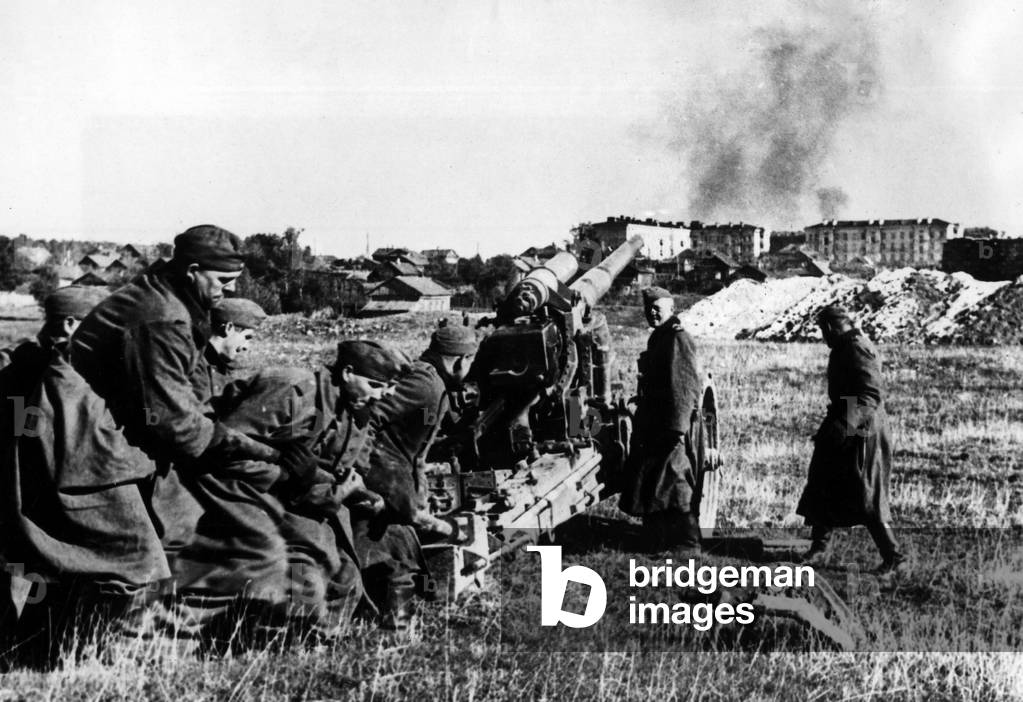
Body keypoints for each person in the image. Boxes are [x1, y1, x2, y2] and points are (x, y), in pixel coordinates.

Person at [69, 225, 318, 524]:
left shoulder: (172, 295)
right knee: (140, 559)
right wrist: (271, 456)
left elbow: (189, 405)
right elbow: (177, 425)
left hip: (115, 428)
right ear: (193, 270)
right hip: (86, 441)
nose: (232, 290)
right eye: (224, 280)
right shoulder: (162, 318)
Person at [169, 340, 407, 643]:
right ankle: (265, 640)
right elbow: (223, 449)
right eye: (376, 384)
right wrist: (287, 476)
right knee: (299, 568)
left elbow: (336, 464)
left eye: (387, 388)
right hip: (230, 485)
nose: (383, 395)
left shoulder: (352, 407)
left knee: (344, 575)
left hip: (294, 494)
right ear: (347, 372)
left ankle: (315, 643)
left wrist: (332, 486)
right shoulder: (291, 390)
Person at [0, 286, 167, 665]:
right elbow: (95, 451)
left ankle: (46, 653)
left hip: (38, 498)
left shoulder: (38, 364)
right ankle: (101, 658)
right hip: (78, 494)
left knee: (61, 576)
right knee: (139, 565)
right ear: (74, 324)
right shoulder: (67, 377)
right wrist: (146, 461)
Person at [362, 323, 478, 626]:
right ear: (460, 360)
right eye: (470, 361)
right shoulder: (424, 384)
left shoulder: (433, 383)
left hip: (392, 477)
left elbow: (416, 450)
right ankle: (394, 626)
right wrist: (378, 477)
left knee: (402, 544)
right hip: (381, 476)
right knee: (398, 548)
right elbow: (370, 417)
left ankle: (397, 618)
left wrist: (419, 493)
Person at [152, 296, 269, 565]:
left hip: (205, 466)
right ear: (228, 329)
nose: (246, 348)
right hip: (176, 473)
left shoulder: (218, 368)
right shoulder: (194, 368)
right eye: (247, 338)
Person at [797, 305, 905, 575]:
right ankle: (818, 549)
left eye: (823, 331)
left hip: (862, 430)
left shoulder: (856, 347)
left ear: (831, 328)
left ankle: (895, 557)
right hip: (847, 422)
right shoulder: (846, 346)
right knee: (823, 480)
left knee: (867, 492)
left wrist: (844, 425)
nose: (824, 338)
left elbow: (870, 394)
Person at [619, 286, 705, 554]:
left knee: (676, 482)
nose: (652, 312)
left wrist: (677, 428)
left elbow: (684, 384)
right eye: (648, 308)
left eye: (657, 308)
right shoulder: (660, 337)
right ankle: (658, 539)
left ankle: (688, 544)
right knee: (652, 481)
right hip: (653, 424)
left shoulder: (677, 339)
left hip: (669, 426)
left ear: (671, 308)